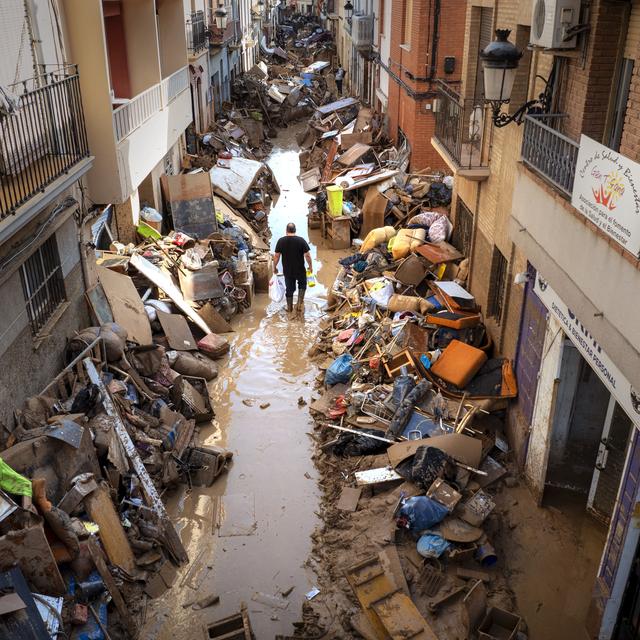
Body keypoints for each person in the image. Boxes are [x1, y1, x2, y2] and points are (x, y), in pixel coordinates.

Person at [273, 223, 313, 316]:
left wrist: (274, 267)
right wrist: (310, 266)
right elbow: (307, 255)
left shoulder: (281, 241)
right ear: (295, 230)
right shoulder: (301, 240)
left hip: (288, 270)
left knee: (289, 288)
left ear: (286, 230)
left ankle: (290, 308)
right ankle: (299, 305)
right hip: (300, 269)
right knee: (302, 285)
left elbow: (276, 256)